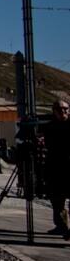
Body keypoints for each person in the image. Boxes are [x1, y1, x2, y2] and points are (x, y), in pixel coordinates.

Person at [43, 100, 70, 237]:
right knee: (57, 201)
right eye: (60, 109)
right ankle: (62, 225)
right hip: (56, 168)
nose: (63, 111)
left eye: (65, 109)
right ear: (54, 111)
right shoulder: (50, 127)